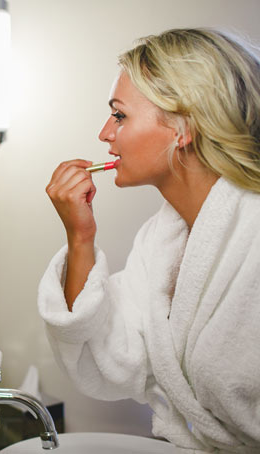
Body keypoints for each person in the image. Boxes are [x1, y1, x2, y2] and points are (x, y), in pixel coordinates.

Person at [38, 28, 260, 452]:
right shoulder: (163, 241)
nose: (105, 133)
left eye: (119, 115)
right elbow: (109, 359)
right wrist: (79, 236)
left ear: (184, 127)